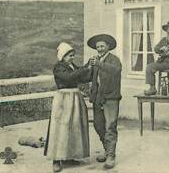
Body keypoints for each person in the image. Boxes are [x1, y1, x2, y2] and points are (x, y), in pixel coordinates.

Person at [44, 42, 92, 172]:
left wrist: (92, 67)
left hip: (75, 98)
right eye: (70, 55)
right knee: (61, 128)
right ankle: (56, 159)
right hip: (64, 99)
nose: (72, 58)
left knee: (74, 126)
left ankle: (69, 156)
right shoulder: (58, 67)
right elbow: (69, 78)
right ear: (63, 56)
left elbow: (83, 77)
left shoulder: (72, 65)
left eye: (73, 55)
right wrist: (86, 67)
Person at [87, 34, 122, 170]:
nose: (100, 49)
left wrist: (99, 64)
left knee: (110, 126)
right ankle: (107, 150)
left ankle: (111, 156)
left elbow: (116, 71)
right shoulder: (95, 60)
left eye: (102, 46)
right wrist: (89, 68)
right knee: (98, 125)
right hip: (98, 98)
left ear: (108, 47)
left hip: (111, 98)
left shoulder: (114, 60)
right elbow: (89, 77)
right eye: (97, 47)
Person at [144, 20, 169, 95]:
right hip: (163, 62)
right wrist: (161, 49)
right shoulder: (164, 40)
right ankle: (152, 88)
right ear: (167, 31)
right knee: (149, 67)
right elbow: (156, 49)